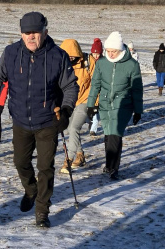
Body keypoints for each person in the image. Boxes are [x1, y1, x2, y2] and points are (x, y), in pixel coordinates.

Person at [0, 11, 78, 228]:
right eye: (26, 33)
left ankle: (42, 209)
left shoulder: (58, 56)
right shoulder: (11, 53)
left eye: (35, 32)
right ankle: (31, 189)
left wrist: (67, 110)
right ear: (21, 34)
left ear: (45, 32)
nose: (31, 37)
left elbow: (70, 86)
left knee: (46, 167)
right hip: (21, 120)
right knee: (20, 162)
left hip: (48, 121)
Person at [86, 32, 142, 180]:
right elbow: (95, 85)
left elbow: (137, 89)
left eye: (114, 51)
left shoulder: (132, 65)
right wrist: (91, 105)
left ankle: (114, 168)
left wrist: (138, 110)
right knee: (108, 134)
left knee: (115, 134)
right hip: (105, 103)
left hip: (123, 103)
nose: (110, 54)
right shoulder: (101, 63)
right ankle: (108, 164)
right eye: (108, 51)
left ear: (120, 50)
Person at [58, 38, 97, 173]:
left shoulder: (88, 62)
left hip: (85, 100)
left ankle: (68, 159)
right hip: (69, 102)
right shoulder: (61, 64)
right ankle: (80, 155)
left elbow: (96, 83)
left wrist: (94, 104)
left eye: (73, 55)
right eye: (67, 55)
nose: (71, 58)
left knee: (74, 128)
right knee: (68, 129)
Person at [88, 38, 103, 136]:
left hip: (100, 89)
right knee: (90, 109)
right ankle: (91, 126)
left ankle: (93, 130)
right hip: (89, 89)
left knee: (96, 111)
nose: (96, 56)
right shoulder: (88, 61)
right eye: (94, 54)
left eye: (98, 54)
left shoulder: (103, 62)